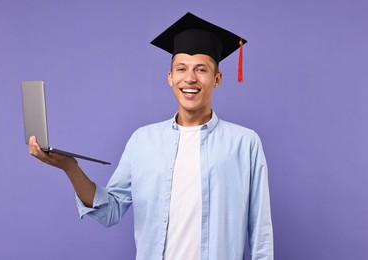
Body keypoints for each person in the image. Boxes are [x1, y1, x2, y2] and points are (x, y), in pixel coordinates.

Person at [29, 12, 273, 260]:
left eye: (201, 70)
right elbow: (109, 212)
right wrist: (70, 168)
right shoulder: (142, 141)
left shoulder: (245, 143)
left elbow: (261, 232)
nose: (190, 78)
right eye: (181, 69)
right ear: (170, 78)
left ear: (217, 79)